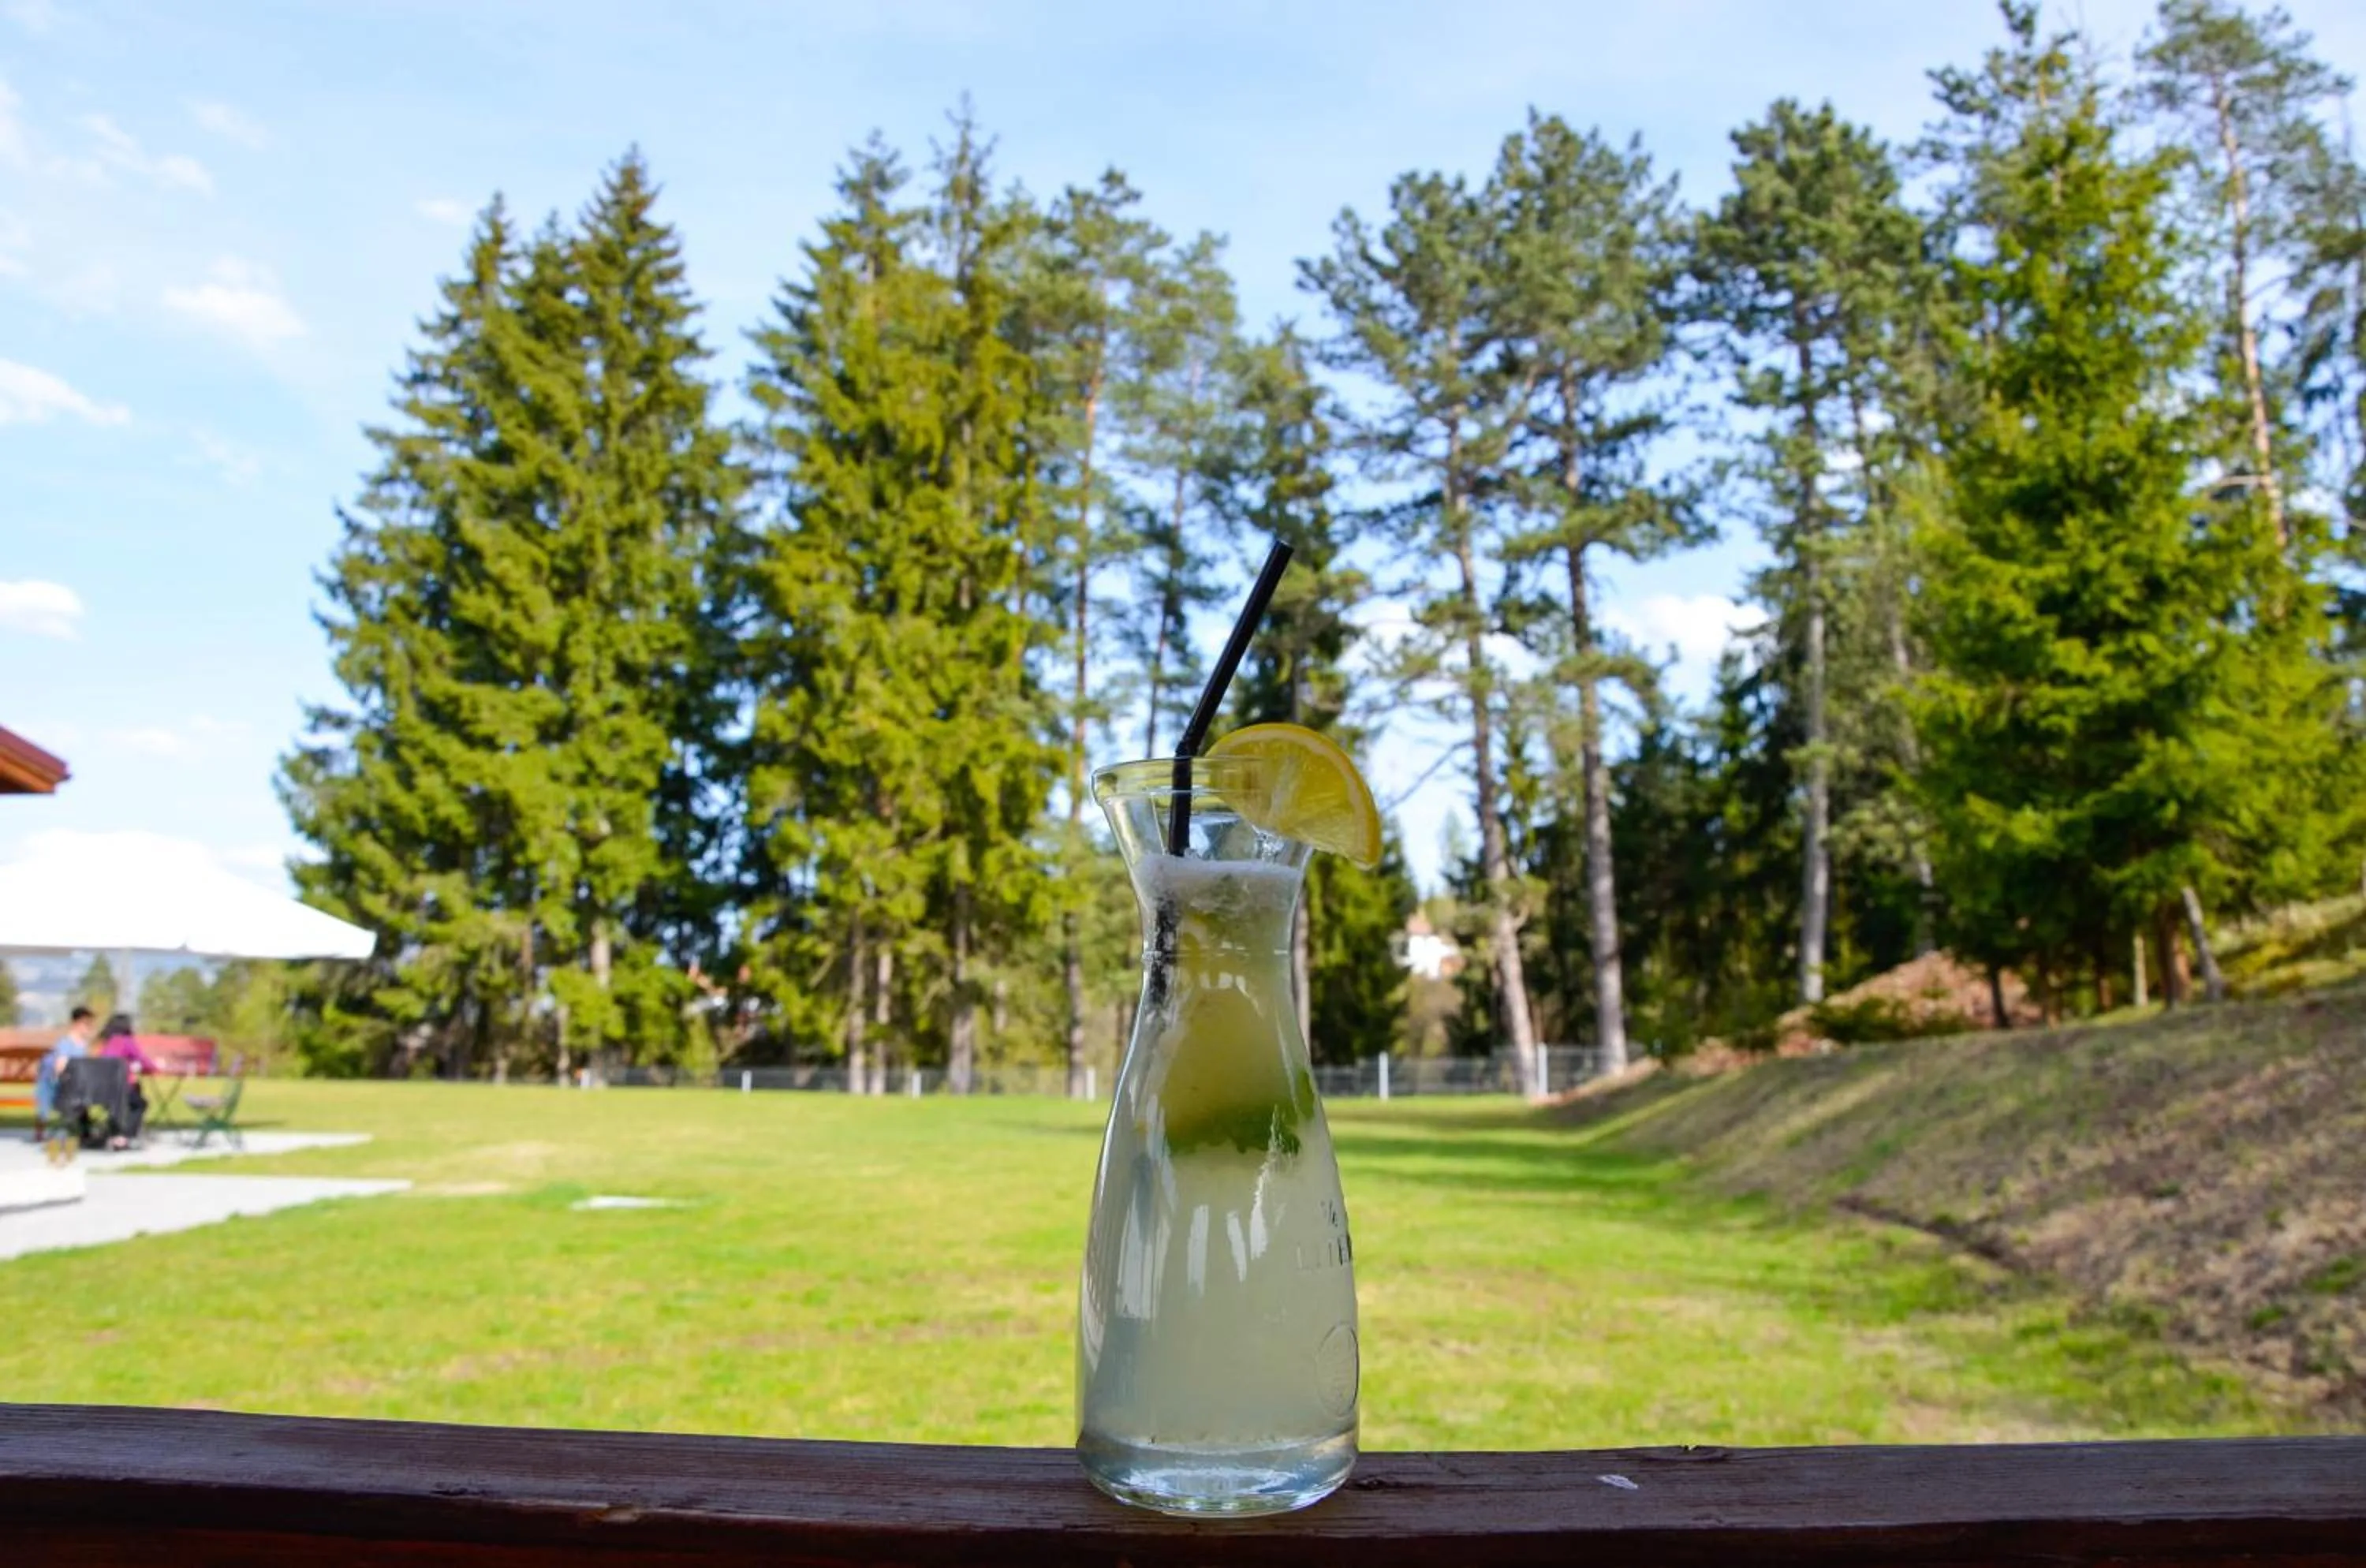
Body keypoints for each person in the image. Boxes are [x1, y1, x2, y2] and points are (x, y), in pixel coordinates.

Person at [94, 1013, 157, 1148]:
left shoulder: (107, 1042)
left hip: (103, 1090)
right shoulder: (126, 1041)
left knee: (119, 1104)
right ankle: (124, 1136)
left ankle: (114, 1133)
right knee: (140, 1104)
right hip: (122, 1087)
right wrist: (153, 1067)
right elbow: (144, 1061)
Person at [34, 1006, 97, 1139]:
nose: (89, 1028)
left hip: (75, 1083)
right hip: (58, 1083)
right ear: (77, 1023)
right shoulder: (66, 1043)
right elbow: (60, 1066)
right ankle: (40, 1131)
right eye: (87, 1024)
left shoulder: (83, 1045)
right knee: (45, 1104)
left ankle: (85, 1131)